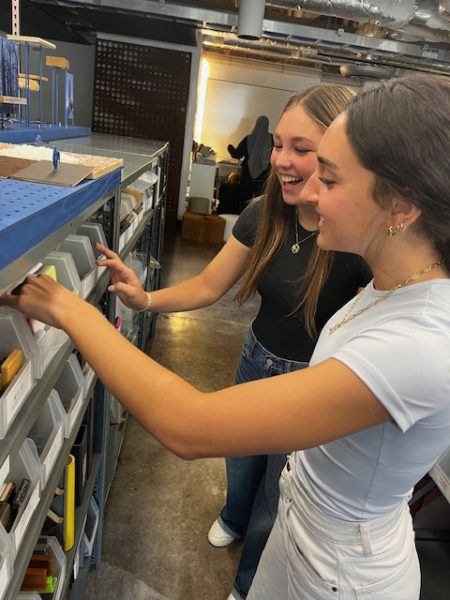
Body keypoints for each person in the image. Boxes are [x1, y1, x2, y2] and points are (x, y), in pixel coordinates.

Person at [2, 74, 449, 600]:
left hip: (342, 577)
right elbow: (211, 286)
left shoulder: (420, 342)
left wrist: (73, 311)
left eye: (329, 179)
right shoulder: (391, 284)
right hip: (303, 531)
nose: (312, 193)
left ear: (399, 207)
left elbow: (188, 426)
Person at [83, 84, 366, 600]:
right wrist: (143, 299)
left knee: (277, 495)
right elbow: (207, 286)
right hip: (255, 358)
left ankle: (246, 581)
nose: (281, 160)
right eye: (279, 144)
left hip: (310, 383)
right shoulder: (264, 215)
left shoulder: (353, 238)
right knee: (241, 468)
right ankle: (232, 518)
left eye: (302, 150)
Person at [228, 115, 273, 212]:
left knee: (244, 200)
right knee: (260, 203)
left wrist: (230, 147)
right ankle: (257, 224)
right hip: (263, 176)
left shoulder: (249, 139)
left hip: (247, 175)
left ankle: (243, 222)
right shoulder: (271, 139)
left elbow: (236, 155)